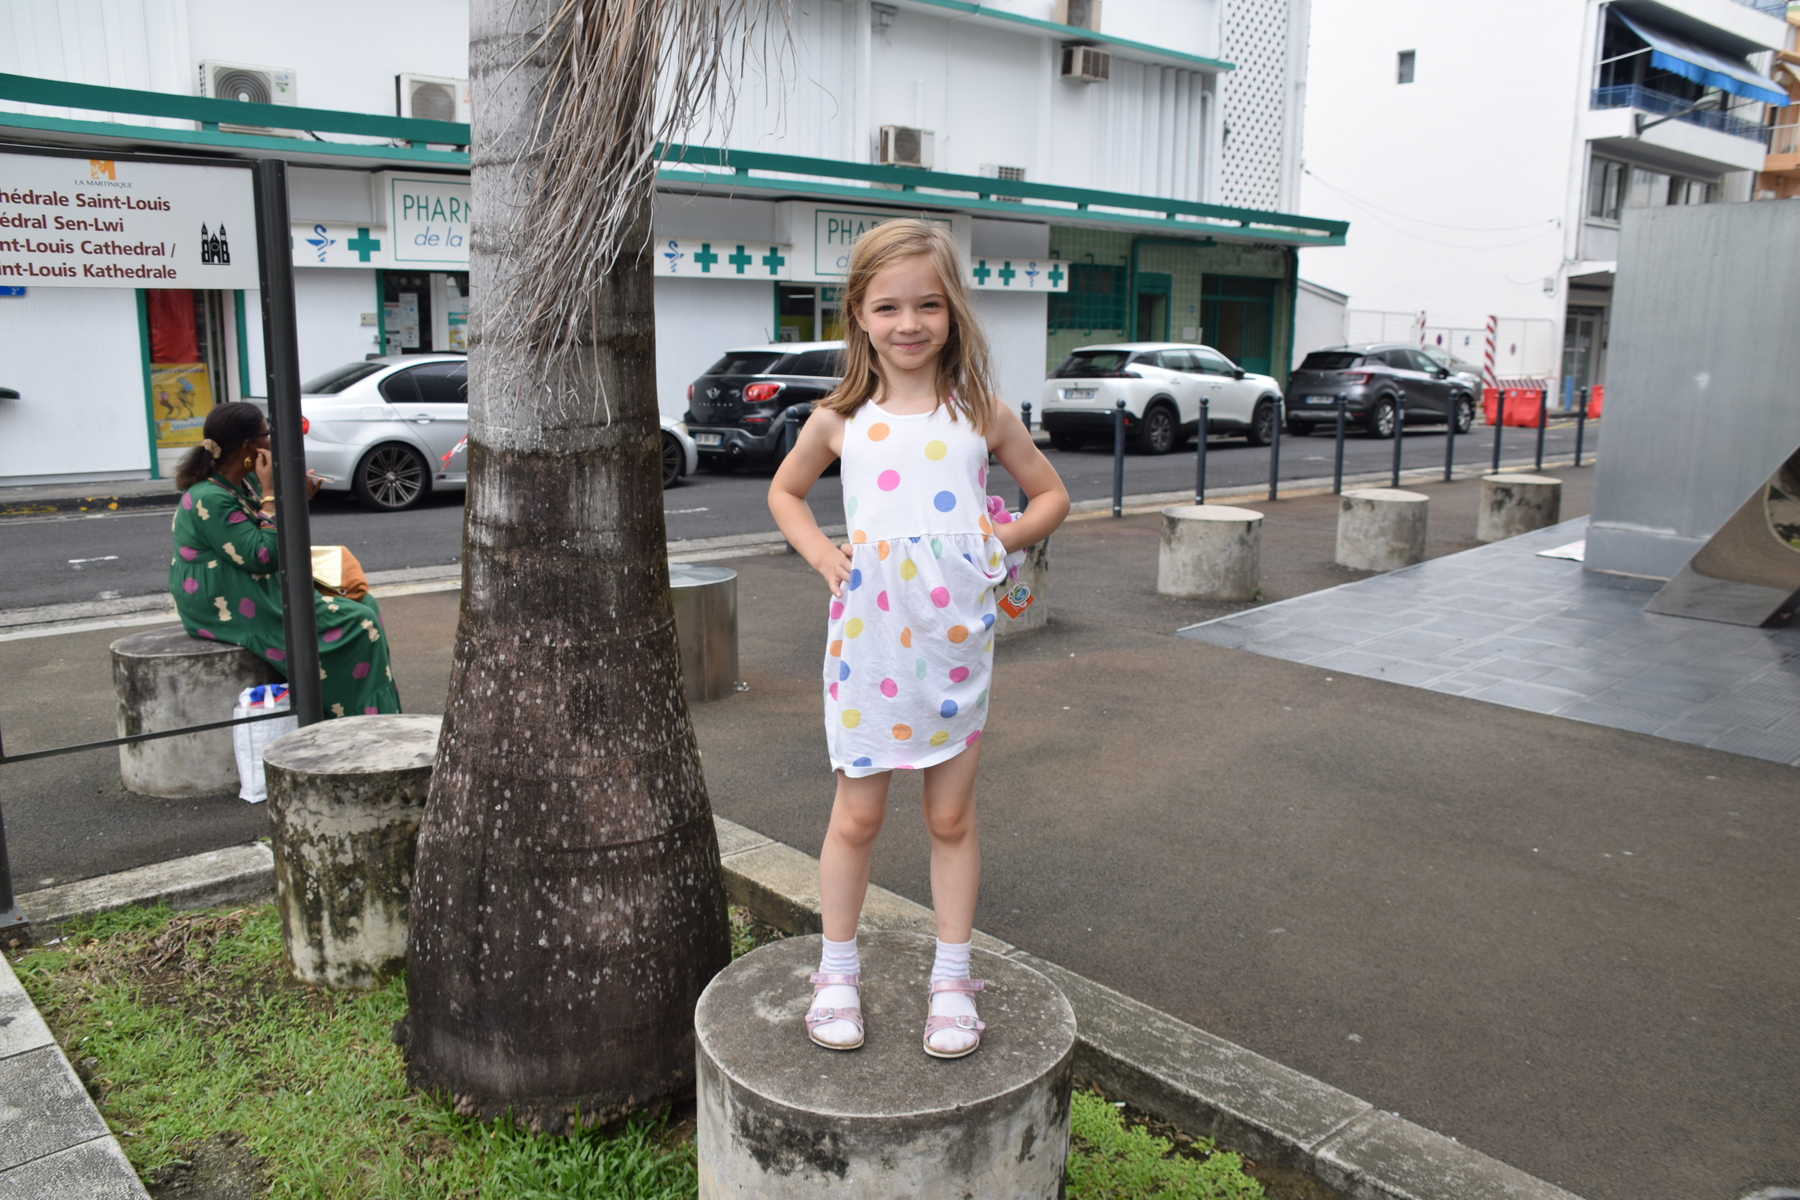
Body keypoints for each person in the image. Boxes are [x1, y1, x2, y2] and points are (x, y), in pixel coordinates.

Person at [768, 220, 1070, 1058]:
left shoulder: (982, 414)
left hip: (953, 642)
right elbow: (786, 494)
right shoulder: (839, 419)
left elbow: (1051, 496)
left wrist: (1001, 538)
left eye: (928, 305)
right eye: (889, 306)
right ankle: (836, 971)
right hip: (869, 644)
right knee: (856, 816)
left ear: (953, 311)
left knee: (950, 815)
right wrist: (824, 556)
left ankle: (953, 977)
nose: (910, 323)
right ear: (859, 315)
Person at [169, 402, 401, 718]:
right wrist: (270, 492)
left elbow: (275, 536)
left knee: (365, 602)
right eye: (266, 434)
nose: (271, 440)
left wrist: (296, 496)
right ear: (249, 446)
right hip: (226, 600)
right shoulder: (208, 497)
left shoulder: (241, 482)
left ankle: (371, 712)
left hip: (249, 585)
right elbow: (263, 556)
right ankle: (355, 716)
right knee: (361, 623)